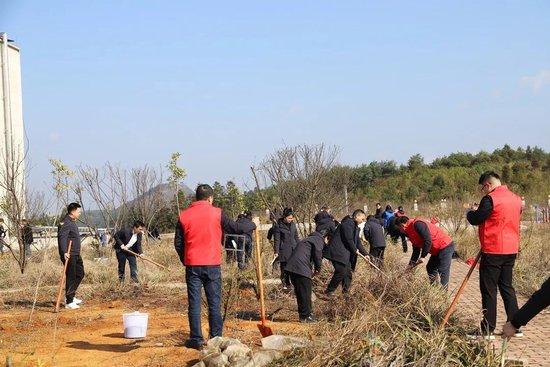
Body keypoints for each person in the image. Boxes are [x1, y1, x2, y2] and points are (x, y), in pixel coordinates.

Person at [174, 184, 256, 350]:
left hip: (192, 266)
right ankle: (216, 338)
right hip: (212, 264)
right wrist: (252, 224)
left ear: (196, 198)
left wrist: (186, 259)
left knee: (194, 303)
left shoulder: (184, 215)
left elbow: (178, 243)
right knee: (214, 302)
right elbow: (237, 228)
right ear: (210, 198)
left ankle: (196, 339)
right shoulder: (217, 213)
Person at [466, 171, 522, 339]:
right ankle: (516, 325)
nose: (483, 191)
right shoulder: (516, 198)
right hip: (511, 249)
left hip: (493, 249)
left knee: (489, 289)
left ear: (488, 185)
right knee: (507, 287)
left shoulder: (491, 199)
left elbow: (477, 218)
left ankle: (487, 329)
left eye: (483, 187)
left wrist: (470, 213)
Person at [395, 216, 455, 289]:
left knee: (443, 270)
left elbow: (427, 240)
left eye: (399, 228)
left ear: (402, 225)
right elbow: (416, 251)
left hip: (445, 245)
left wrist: (423, 256)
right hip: (436, 250)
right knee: (430, 267)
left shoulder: (417, 224)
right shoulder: (410, 232)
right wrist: (410, 265)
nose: (400, 231)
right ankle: (434, 289)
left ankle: (443, 295)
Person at [285, 228, 330, 323]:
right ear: (325, 237)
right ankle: (306, 316)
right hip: (301, 268)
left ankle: (303, 316)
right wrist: (318, 269)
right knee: (305, 293)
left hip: (292, 268)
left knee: (300, 293)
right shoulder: (318, 239)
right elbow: (318, 254)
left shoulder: (308, 239)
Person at [323, 209, 368, 296]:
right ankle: (329, 291)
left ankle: (345, 293)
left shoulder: (355, 227)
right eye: (362, 219)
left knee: (348, 273)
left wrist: (365, 254)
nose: (363, 221)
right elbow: (349, 239)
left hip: (343, 254)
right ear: (357, 216)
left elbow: (357, 242)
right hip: (337, 252)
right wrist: (354, 250)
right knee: (341, 271)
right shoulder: (348, 223)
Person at [57, 203, 85, 310]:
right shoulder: (66, 222)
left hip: (76, 253)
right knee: (71, 276)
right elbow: (62, 238)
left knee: (80, 273)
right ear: (73, 212)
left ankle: (71, 295)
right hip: (69, 254)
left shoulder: (72, 222)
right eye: (78, 211)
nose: (79, 213)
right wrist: (64, 252)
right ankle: (69, 302)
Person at [273, 208, 300, 290]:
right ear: (284, 217)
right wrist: (276, 251)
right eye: (289, 218)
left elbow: (296, 236)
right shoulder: (278, 226)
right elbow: (277, 240)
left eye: (292, 218)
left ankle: (292, 284)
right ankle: (285, 283)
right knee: (284, 267)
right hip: (284, 250)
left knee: (293, 267)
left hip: (293, 248)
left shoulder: (293, 224)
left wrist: (299, 246)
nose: (290, 220)